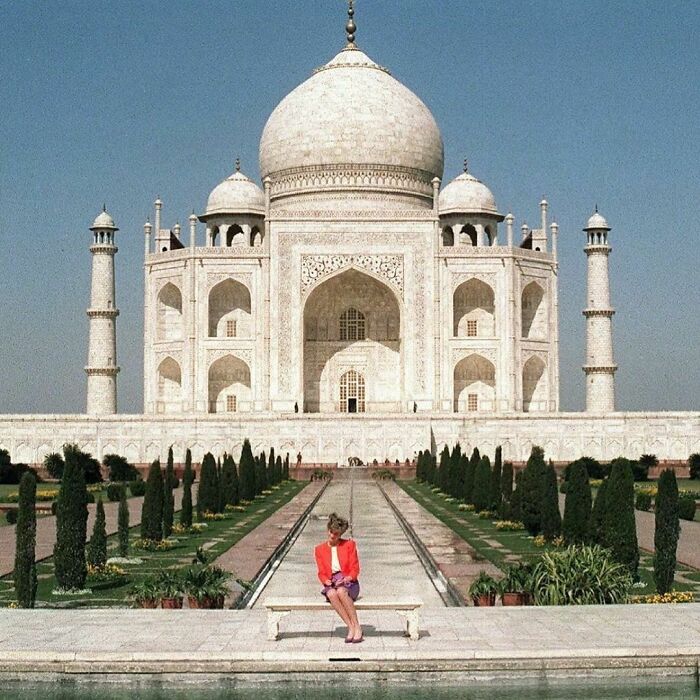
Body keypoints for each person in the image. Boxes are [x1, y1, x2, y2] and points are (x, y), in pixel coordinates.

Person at [314, 513, 362, 643]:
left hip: (349, 583)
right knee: (331, 593)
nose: (332, 536)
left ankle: (357, 626)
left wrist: (347, 578)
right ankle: (350, 626)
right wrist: (326, 581)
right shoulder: (319, 549)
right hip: (332, 582)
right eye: (331, 532)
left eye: (336, 534)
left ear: (340, 534)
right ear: (328, 530)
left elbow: (355, 569)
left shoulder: (349, 545)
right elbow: (321, 572)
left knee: (341, 591)